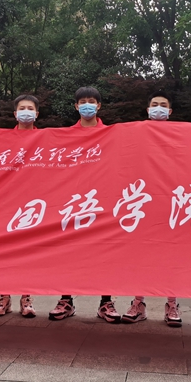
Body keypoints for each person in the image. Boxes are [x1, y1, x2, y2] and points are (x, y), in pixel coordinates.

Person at [48, 86, 121, 323]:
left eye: (91, 101)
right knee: (69, 252)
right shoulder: (65, 135)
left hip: (102, 202)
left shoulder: (111, 134)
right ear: (76, 106)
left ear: (99, 106)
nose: (87, 105)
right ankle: (66, 300)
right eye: (82, 102)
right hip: (73, 202)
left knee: (104, 252)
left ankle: (106, 302)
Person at [120, 92, 181, 327]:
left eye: (163, 105)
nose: (158, 108)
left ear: (170, 111)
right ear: (147, 110)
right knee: (141, 254)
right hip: (142, 201)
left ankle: (172, 304)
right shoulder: (137, 132)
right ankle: (138, 303)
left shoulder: (180, 134)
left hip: (170, 202)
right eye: (154, 105)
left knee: (171, 254)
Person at [0, 94, 39, 318]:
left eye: (30, 108)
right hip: (7, 203)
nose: (26, 112)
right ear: (15, 114)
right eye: (22, 108)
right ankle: (4, 297)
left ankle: (26, 297)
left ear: (36, 113)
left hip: (34, 204)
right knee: (5, 253)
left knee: (28, 254)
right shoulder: (3, 139)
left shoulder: (46, 138)